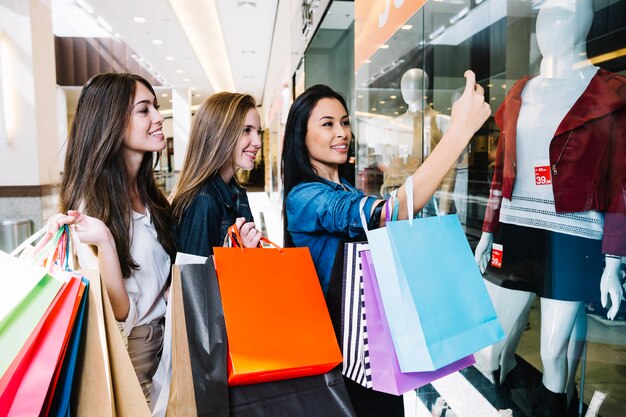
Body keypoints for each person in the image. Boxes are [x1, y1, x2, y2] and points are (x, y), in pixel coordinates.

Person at [282, 70, 490, 416]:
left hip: (373, 348)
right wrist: (459, 131)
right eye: (327, 124)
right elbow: (390, 212)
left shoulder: (344, 190)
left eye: (345, 123)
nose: (341, 133)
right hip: (343, 359)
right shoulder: (306, 196)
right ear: (300, 136)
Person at [473, 1, 626, 415]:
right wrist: (488, 231)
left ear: (583, 24)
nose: (547, 25)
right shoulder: (522, 90)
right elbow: (501, 172)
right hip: (514, 230)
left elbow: (620, 184)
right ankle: (499, 405)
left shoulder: (610, 92)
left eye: (560, 13)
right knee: (488, 348)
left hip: (574, 236)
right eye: (544, 14)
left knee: (553, 353)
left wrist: (614, 259)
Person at [46, 73, 176, 402]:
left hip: (167, 346)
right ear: (112, 122)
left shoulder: (149, 196)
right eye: (144, 110)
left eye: (156, 108)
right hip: (135, 359)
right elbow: (116, 314)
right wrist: (104, 242)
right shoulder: (91, 209)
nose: (159, 117)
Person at [170, 92, 263, 256]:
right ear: (219, 135)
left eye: (258, 132)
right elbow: (196, 278)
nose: (258, 142)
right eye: (246, 130)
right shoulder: (203, 200)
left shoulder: (235, 192)